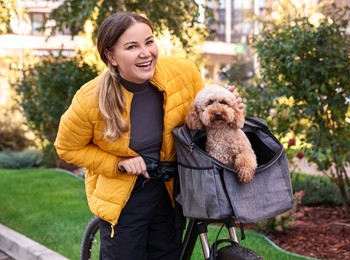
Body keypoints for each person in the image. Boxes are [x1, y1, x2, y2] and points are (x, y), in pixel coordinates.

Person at [55, 11, 241, 260]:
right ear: (111, 56)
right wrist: (117, 163)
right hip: (124, 199)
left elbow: (200, 114)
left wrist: (225, 103)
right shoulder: (90, 98)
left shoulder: (182, 73)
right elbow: (67, 147)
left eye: (149, 41)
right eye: (132, 47)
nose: (145, 53)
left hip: (170, 191)